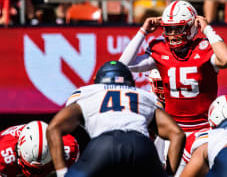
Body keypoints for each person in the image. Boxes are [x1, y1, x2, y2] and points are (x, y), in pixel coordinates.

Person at [46, 60, 185, 177]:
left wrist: (61, 172)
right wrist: (168, 174)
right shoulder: (144, 95)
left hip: (104, 145)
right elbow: (177, 134)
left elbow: (54, 127)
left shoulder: (88, 93)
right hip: (141, 146)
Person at [119, 0, 227, 133]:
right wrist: (143, 31)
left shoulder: (204, 47)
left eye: (178, 28)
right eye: (169, 28)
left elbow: (226, 59)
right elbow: (124, 65)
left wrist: (207, 29)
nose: (173, 34)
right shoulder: (160, 49)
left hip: (204, 128)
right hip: (173, 129)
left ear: (192, 26)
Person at [0, 120, 79, 177]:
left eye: (39, 169)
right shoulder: (3, 153)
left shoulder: (68, 148)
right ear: (18, 150)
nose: (36, 174)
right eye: (31, 169)